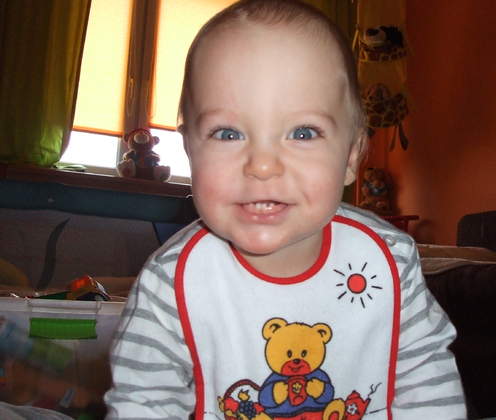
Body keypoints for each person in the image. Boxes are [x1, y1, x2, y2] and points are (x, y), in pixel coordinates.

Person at [104, 1, 466, 418]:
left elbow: (425, 377)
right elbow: (144, 402)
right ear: (189, 149)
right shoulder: (172, 280)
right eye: (227, 133)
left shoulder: (389, 261)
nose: (262, 165)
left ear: (352, 155)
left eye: (303, 132)